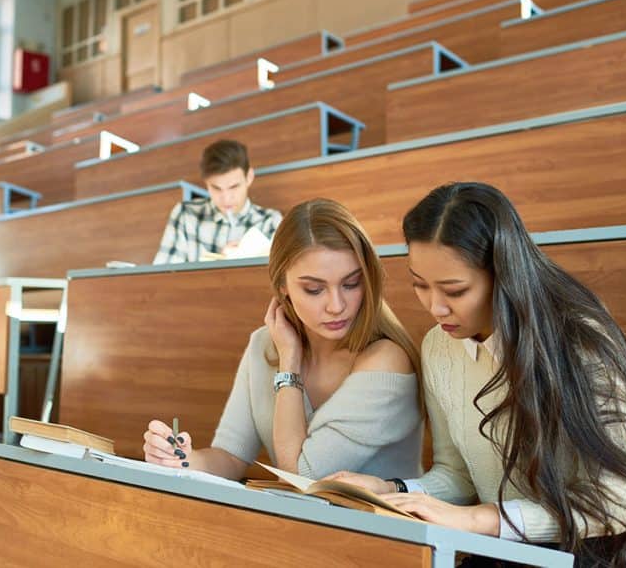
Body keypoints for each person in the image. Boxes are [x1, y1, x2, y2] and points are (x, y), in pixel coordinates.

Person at [327, 182, 626, 567]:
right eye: (420, 285)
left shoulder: (580, 341)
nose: (436, 308)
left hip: (595, 556)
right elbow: (457, 476)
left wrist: (480, 519)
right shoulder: (438, 347)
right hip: (507, 551)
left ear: (502, 275)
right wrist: (391, 489)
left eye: (455, 291)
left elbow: (617, 503)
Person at [143, 198, 423, 481]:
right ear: (282, 286)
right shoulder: (264, 344)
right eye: (314, 289)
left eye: (351, 283)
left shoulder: (387, 360)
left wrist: (289, 364)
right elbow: (230, 456)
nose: (337, 305)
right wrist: (182, 459)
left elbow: (300, 476)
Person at [152, 139, 282, 264]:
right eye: (216, 188)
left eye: (234, 187)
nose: (226, 198)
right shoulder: (186, 214)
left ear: (249, 177)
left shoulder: (270, 221)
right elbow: (163, 274)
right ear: (206, 183)